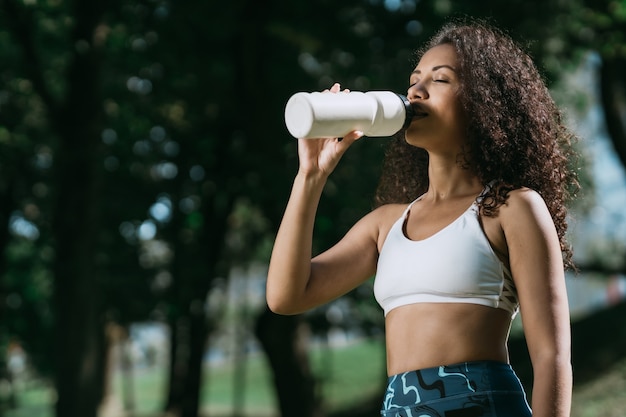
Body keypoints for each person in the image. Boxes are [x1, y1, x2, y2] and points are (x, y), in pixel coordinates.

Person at [266, 20, 578, 417]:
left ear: (484, 102)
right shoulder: (385, 225)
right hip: (400, 407)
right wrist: (311, 175)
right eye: (414, 80)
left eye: (440, 79)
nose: (416, 91)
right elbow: (285, 296)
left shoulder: (511, 208)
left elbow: (551, 355)